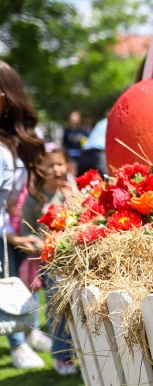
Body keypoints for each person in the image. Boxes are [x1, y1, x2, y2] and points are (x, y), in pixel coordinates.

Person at [0, 60, 48, 370]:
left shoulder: (12, 144)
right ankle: (18, 345)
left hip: (6, 228)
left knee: (12, 280)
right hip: (4, 231)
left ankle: (29, 331)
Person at [20, 147, 79, 375]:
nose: (56, 170)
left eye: (60, 164)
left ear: (67, 166)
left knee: (79, 306)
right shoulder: (35, 199)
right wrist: (36, 242)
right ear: (42, 169)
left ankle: (81, 350)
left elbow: (85, 217)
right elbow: (27, 230)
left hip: (74, 258)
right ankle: (62, 355)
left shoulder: (71, 191)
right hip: (51, 262)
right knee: (56, 307)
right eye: (51, 165)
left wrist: (74, 197)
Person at [61, 110, 88, 176]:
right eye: (72, 118)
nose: (74, 120)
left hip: (81, 156)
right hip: (71, 156)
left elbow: (87, 143)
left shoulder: (83, 131)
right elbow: (64, 144)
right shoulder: (67, 130)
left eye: (75, 118)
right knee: (72, 172)